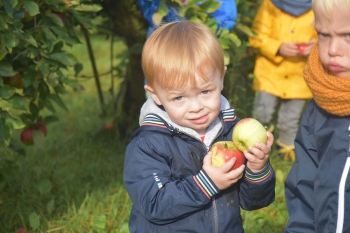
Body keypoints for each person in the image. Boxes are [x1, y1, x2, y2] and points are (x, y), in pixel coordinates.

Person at [123, 21, 276, 233]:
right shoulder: (148, 145)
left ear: (221, 78)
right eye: (179, 97)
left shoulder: (231, 131)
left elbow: (254, 202)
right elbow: (153, 203)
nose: (196, 107)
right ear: (155, 94)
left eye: (205, 92)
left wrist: (257, 169)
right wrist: (205, 184)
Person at [284, 0, 350, 232]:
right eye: (323, 34)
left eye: (348, 35)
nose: (333, 50)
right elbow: (303, 191)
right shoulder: (320, 107)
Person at [248, 0, 317, 160]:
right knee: (262, 115)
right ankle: (255, 151)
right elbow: (257, 36)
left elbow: (326, 33)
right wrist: (278, 47)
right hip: (269, 73)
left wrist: (316, 46)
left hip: (300, 77)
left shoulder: (318, 6)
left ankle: (284, 157)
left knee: (289, 121)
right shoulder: (269, 5)